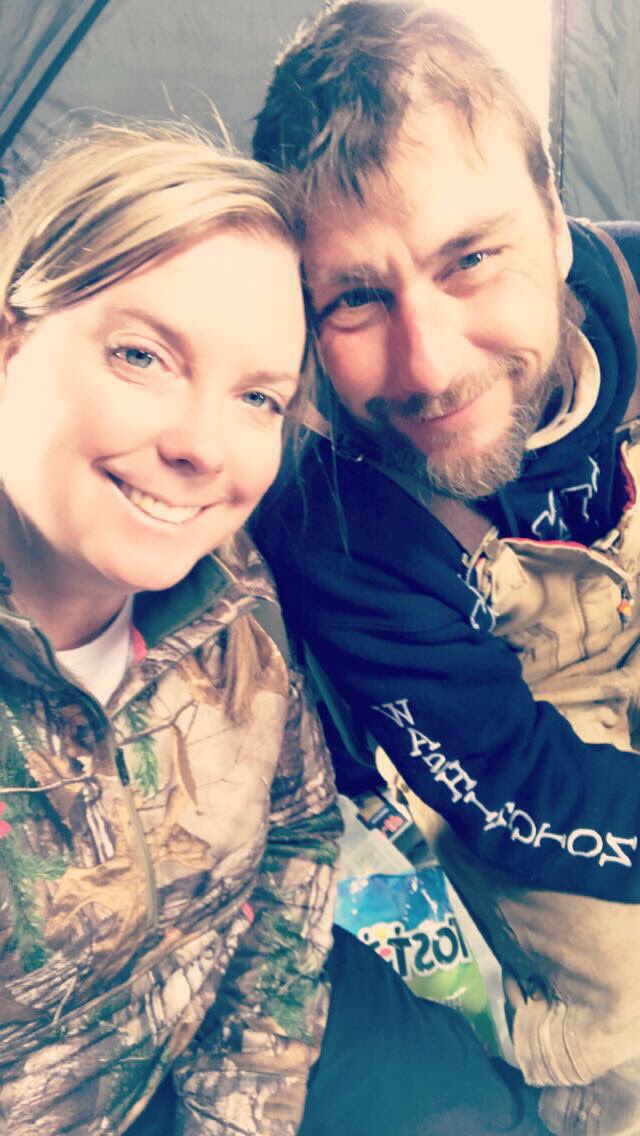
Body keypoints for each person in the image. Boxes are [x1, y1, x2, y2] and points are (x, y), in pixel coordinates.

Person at [0, 121, 547, 1136]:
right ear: (10, 341)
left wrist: (241, 1103)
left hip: (236, 1002)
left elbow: (294, 835)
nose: (203, 447)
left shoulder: (230, 592)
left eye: (257, 396)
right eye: (141, 355)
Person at [252, 2, 640, 1132]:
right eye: (356, 300)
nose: (428, 367)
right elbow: (511, 793)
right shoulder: (334, 519)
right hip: (530, 734)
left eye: (470, 258)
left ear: (558, 228)